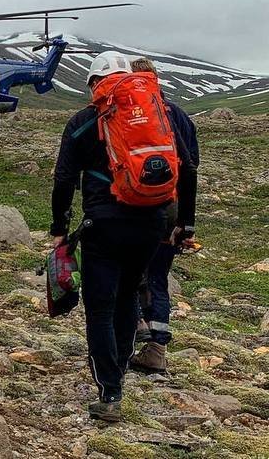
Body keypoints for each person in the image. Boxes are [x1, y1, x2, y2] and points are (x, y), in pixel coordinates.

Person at [50, 51, 197, 422]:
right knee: (130, 293)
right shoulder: (159, 115)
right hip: (151, 225)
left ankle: (110, 391)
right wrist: (186, 223)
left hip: (103, 227)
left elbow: (64, 178)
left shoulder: (83, 121)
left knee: (100, 307)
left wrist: (59, 229)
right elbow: (188, 168)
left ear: (94, 84)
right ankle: (120, 366)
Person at [129, 57, 200, 373]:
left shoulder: (128, 114)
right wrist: (187, 222)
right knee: (157, 277)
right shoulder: (180, 116)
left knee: (128, 274)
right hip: (171, 210)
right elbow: (191, 167)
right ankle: (157, 350)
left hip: (135, 209)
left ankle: (130, 335)